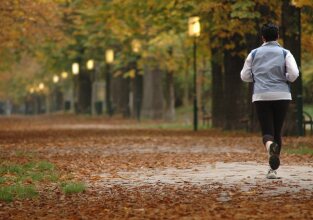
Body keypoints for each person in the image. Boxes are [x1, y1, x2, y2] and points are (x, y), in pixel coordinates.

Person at [240, 23, 299, 179]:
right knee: (277, 131)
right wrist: (285, 78)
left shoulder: (253, 53)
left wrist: (257, 78)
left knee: (267, 131)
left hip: (261, 96)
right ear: (277, 36)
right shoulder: (285, 53)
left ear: (263, 37)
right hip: (282, 95)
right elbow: (294, 74)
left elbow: (244, 76)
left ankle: (269, 146)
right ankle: (272, 170)